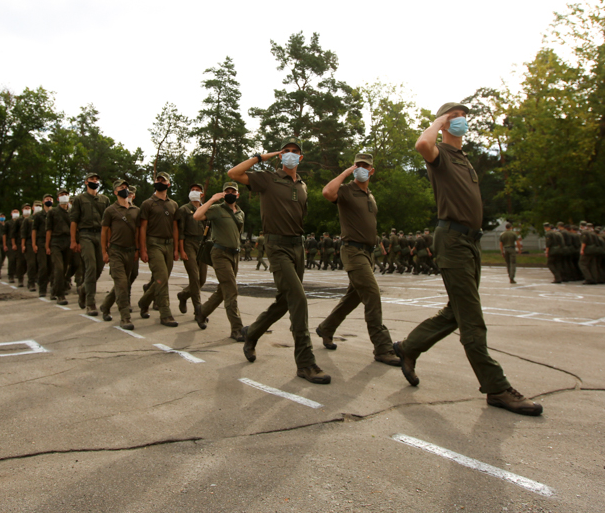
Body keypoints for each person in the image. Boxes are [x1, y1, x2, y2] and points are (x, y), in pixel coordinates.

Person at [392, 102, 542, 416]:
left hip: (469, 242)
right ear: (444, 123)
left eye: (463, 117)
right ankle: (497, 388)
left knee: (456, 311)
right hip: (453, 240)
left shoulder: (463, 158)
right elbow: (422, 144)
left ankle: (408, 348)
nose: (461, 121)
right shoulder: (441, 155)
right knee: (472, 319)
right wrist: (440, 120)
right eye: (455, 117)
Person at [228, 136, 329, 384]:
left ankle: (252, 333)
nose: (291, 154)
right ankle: (305, 363)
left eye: (295, 151)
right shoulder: (268, 178)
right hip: (277, 246)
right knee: (299, 298)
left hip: (298, 246)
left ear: (301, 157)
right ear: (280, 155)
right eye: (286, 150)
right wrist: (262, 157)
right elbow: (234, 173)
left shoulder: (303, 185)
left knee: (285, 301)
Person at [316, 153, 399, 366]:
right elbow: (327, 192)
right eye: (357, 165)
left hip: (368, 252)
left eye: (365, 166)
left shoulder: (370, 195)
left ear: (372, 170)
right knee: (372, 294)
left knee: (353, 298)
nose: (361, 168)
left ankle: (326, 328)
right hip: (353, 251)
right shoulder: (346, 190)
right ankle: (383, 347)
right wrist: (346, 173)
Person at [193, 182, 245, 340]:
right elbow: (197, 216)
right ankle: (237, 329)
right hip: (220, 254)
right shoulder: (216, 209)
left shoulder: (240, 213)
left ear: (237, 195)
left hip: (234, 255)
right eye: (227, 191)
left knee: (223, 290)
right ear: (223, 194)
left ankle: (202, 312)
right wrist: (211, 200)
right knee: (231, 290)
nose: (230, 194)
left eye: (233, 191)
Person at [138, 171, 180, 327]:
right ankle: (165, 314)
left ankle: (144, 301)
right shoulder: (147, 203)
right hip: (153, 244)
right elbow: (142, 228)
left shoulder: (173, 204)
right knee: (161, 277)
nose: (160, 182)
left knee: (162, 279)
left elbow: (175, 228)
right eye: (158, 180)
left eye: (163, 181)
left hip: (169, 244)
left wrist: (176, 249)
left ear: (168, 184)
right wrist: (142, 249)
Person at [100, 180, 139, 330]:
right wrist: (104, 252)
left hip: (130, 251)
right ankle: (125, 317)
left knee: (123, 283)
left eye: (126, 187)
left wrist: (137, 250)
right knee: (122, 283)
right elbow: (104, 232)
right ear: (115, 192)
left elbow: (137, 232)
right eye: (121, 188)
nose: (125, 190)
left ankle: (106, 305)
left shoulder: (136, 210)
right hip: (116, 251)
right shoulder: (110, 210)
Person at [70, 172, 111, 316]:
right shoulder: (79, 199)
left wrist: (109, 240)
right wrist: (74, 240)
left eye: (96, 179)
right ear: (86, 182)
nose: (95, 181)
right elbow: (74, 221)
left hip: (100, 235)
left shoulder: (104, 199)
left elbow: (108, 222)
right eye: (92, 179)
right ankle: (90, 302)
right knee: (91, 266)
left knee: (99, 267)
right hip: (85, 235)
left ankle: (83, 288)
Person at [176, 183, 208, 316]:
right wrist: (181, 250)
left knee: (202, 280)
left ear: (202, 194)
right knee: (194, 278)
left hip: (202, 245)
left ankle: (183, 295)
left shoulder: (206, 209)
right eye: (192, 190)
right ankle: (198, 310)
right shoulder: (184, 209)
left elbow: (208, 229)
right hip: (188, 244)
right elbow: (180, 231)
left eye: (197, 190)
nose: (194, 192)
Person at [46, 190, 72, 305]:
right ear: (57, 199)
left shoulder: (72, 212)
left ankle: (54, 289)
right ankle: (60, 294)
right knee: (59, 268)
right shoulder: (53, 212)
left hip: (68, 241)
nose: (64, 197)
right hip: (56, 241)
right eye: (61, 195)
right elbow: (49, 229)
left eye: (66, 195)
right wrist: (47, 245)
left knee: (64, 268)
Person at [33, 194, 54, 297]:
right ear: (43, 201)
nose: (48, 200)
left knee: (52, 266)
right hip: (41, 242)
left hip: (53, 242)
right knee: (43, 267)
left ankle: (53, 288)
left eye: (50, 199)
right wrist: (34, 244)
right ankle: (42, 288)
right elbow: (34, 230)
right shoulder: (38, 215)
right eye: (46, 199)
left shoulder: (55, 213)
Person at [21, 202, 40, 292]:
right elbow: (23, 234)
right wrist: (23, 245)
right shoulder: (28, 220)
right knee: (31, 263)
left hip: (40, 242)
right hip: (29, 242)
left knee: (41, 263)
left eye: (40, 206)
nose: (38, 207)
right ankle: (31, 282)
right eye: (36, 206)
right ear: (33, 208)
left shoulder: (44, 218)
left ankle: (39, 279)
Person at [11, 205, 29, 287]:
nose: (27, 209)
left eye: (28, 208)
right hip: (19, 243)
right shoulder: (18, 220)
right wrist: (14, 244)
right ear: (22, 210)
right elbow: (13, 233)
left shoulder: (32, 218)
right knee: (20, 262)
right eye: (26, 208)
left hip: (29, 242)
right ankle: (20, 279)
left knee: (29, 263)